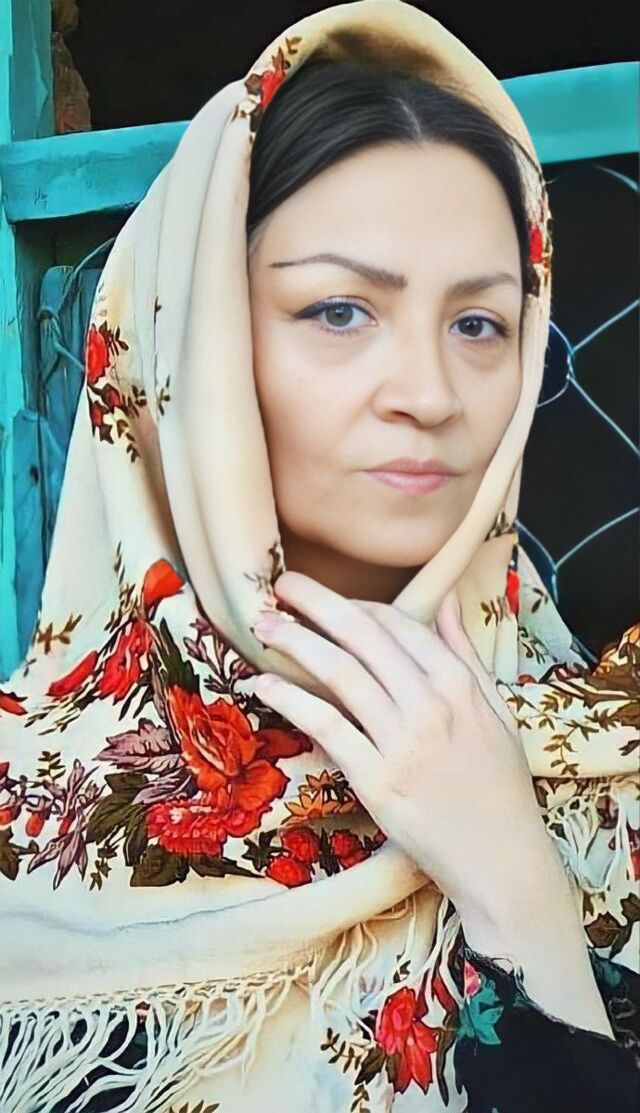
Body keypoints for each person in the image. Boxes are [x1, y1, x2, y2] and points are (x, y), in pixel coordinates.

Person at [0, 2, 637, 1110]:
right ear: (187, 347)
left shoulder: (610, 768)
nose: (429, 395)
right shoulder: (25, 811)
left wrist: (521, 893)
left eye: (479, 324)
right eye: (339, 311)